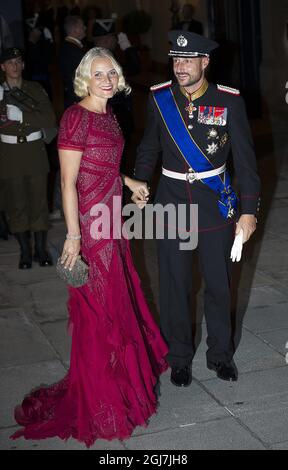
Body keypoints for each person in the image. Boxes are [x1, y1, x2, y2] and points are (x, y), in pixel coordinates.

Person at [10, 47, 168, 447]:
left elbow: (105, 165)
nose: (106, 80)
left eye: (111, 72)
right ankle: (103, 403)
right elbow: (67, 182)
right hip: (92, 230)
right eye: (98, 74)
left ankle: (119, 391)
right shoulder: (76, 117)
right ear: (84, 77)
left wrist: (129, 183)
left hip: (113, 223)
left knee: (117, 307)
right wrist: (74, 236)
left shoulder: (109, 114)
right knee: (99, 316)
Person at [132, 31, 261, 387]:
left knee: (219, 285)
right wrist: (141, 181)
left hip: (214, 204)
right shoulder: (160, 99)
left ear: (205, 62)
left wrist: (248, 211)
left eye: (187, 61)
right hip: (171, 204)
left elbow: (246, 163)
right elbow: (148, 148)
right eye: (176, 60)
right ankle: (179, 357)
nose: (180, 67)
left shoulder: (229, 101)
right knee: (174, 286)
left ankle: (221, 354)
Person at [0, 47, 56, 269]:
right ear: (2, 67)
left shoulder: (35, 89)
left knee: (38, 202)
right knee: (16, 204)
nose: (14, 66)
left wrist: (23, 116)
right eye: (9, 62)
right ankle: (25, 251)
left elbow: (49, 117)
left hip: (34, 151)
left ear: (23, 65)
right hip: (9, 155)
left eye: (18, 61)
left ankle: (40, 249)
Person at [59, 15, 86, 109]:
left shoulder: (68, 47)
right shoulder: (72, 50)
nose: (85, 28)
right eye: (82, 26)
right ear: (76, 29)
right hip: (78, 99)